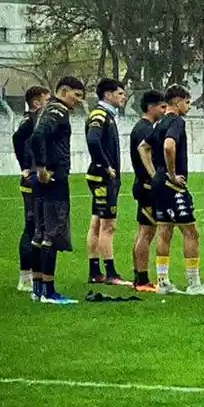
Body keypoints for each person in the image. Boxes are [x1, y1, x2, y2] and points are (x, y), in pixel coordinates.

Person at [153, 84, 204, 297]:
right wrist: (172, 174)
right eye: (188, 102)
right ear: (177, 101)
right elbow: (169, 146)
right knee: (191, 232)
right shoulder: (176, 122)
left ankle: (162, 281)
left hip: (159, 183)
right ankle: (194, 283)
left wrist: (156, 172)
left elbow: (143, 147)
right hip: (173, 186)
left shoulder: (159, 123)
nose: (189, 107)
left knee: (164, 231)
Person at [28, 76, 84, 305]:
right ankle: (49, 292)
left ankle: (38, 288)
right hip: (54, 179)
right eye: (77, 95)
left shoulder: (47, 110)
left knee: (39, 234)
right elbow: (37, 136)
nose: (78, 101)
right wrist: (42, 167)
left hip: (43, 182)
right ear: (64, 90)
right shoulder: (58, 111)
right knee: (51, 234)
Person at [83, 78, 130, 286]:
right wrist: (106, 166)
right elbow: (93, 140)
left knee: (96, 223)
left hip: (99, 177)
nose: (124, 97)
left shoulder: (107, 115)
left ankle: (95, 271)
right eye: (120, 93)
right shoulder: (100, 115)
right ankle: (110, 273)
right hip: (103, 178)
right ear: (108, 95)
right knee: (108, 225)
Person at [12, 85, 50, 292]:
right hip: (31, 180)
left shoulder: (37, 120)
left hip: (38, 178)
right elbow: (17, 139)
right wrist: (25, 167)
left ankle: (37, 275)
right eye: (47, 99)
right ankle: (25, 277)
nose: (49, 102)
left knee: (39, 226)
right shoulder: (31, 121)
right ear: (37, 102)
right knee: (32, 227)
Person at [129, 90, 166, 292]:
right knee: (147, 233)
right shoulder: (144, 130)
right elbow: (146, 154)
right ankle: (142, 279)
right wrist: (154, 177)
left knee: (142, 232)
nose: (164, 110)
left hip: (142, 184)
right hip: (146, 186)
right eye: (161, 107)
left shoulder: (143, 127)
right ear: (151, 107)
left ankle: (139, 275)